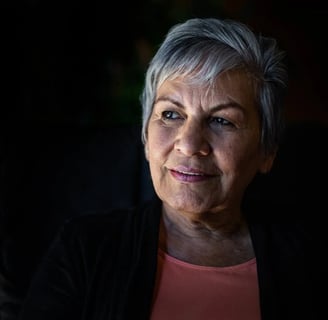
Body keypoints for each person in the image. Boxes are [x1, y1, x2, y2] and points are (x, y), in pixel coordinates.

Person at [18, 17, 320, 320]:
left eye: (222, 120)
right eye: (171, 114)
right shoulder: (83, 250)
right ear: (146, 138)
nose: (188, 144)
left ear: (266, 152)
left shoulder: (311, 262)